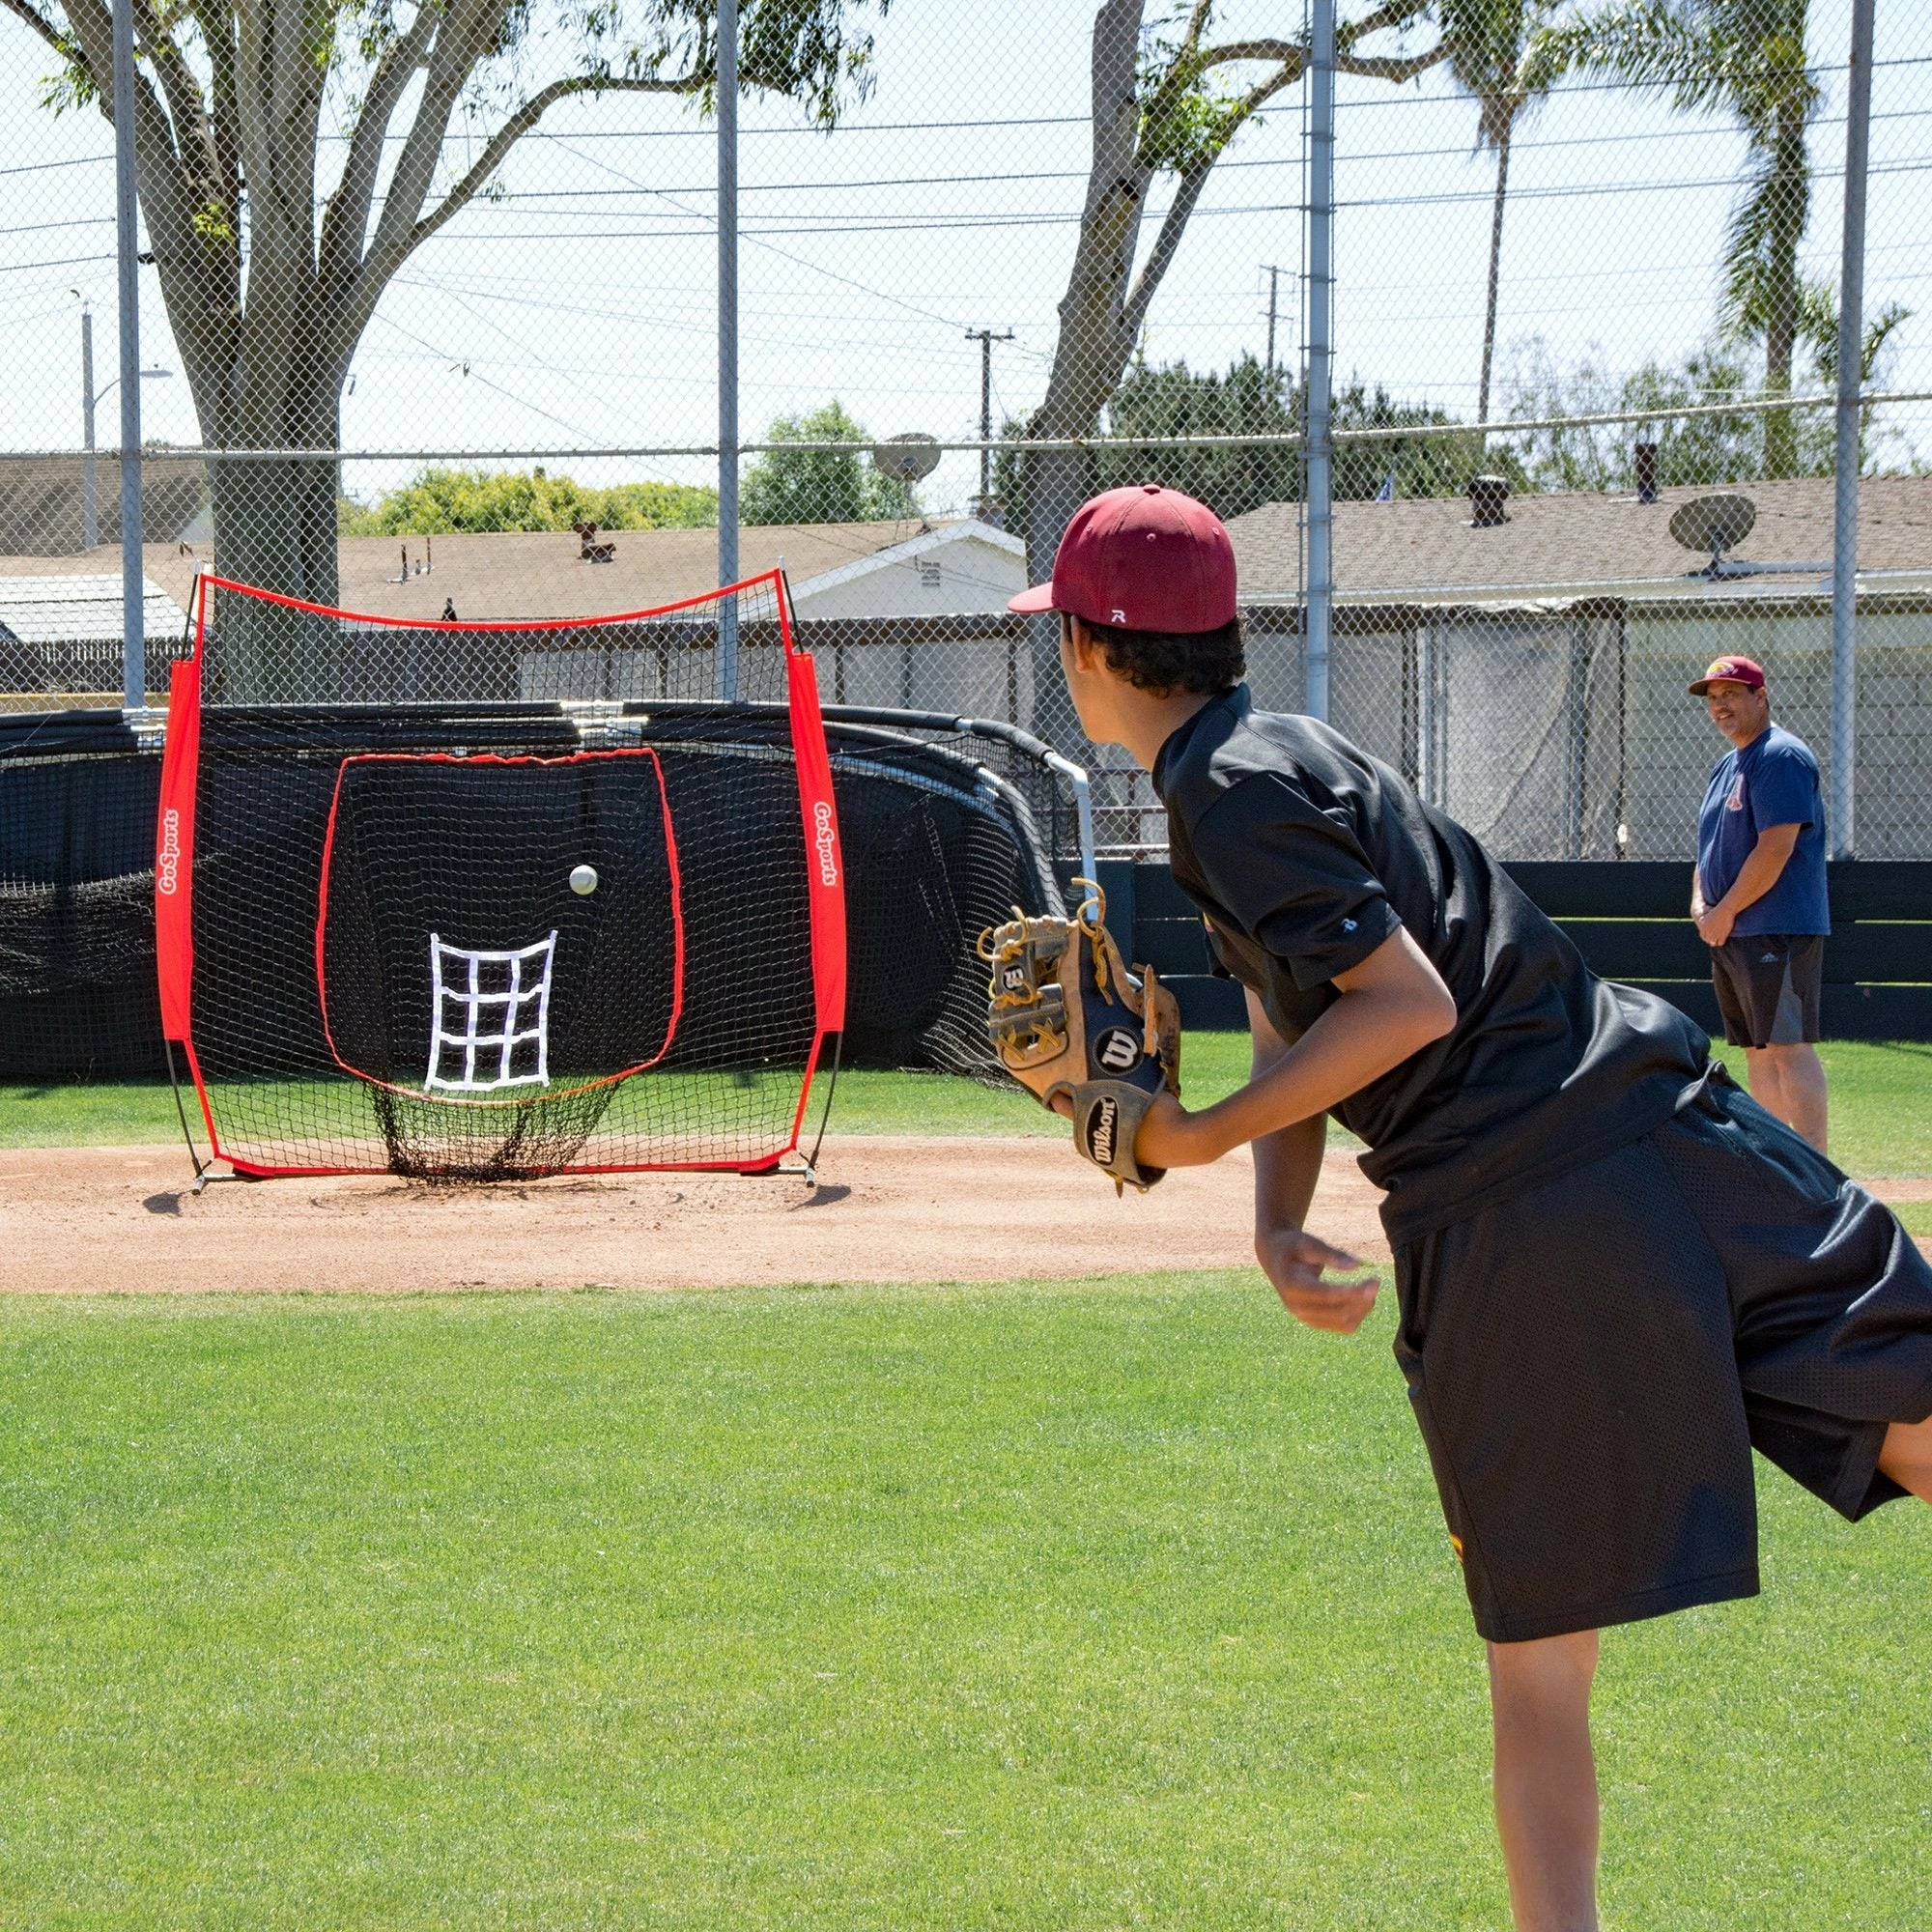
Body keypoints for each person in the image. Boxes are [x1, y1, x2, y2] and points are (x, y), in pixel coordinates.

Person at [1009, 483, 1932, 1932]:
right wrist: (1269, 1214)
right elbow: (1281, 1012)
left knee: (1542, 1669)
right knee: (1916, 1420)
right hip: (1661, 1125)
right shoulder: (1277, 751)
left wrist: (1184, 1143)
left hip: (1515, 1210)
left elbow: (1399, 1004)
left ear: (1085, 649)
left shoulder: (1223, 793)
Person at [1690, 656, 1832, 1151]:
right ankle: (1778, 1166)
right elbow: (1707, 849)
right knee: (1756, 1050)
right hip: (1732, 930)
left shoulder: (1780, 756)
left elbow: (1776, 847)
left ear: (1760, 695)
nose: (1720, 706)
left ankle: (1817, 1169)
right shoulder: (1726, 766)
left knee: (1788, 1047)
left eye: (1731, 693)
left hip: (1776, 925)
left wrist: (1724, 910)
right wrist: (1700, 902)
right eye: (1713, 698)